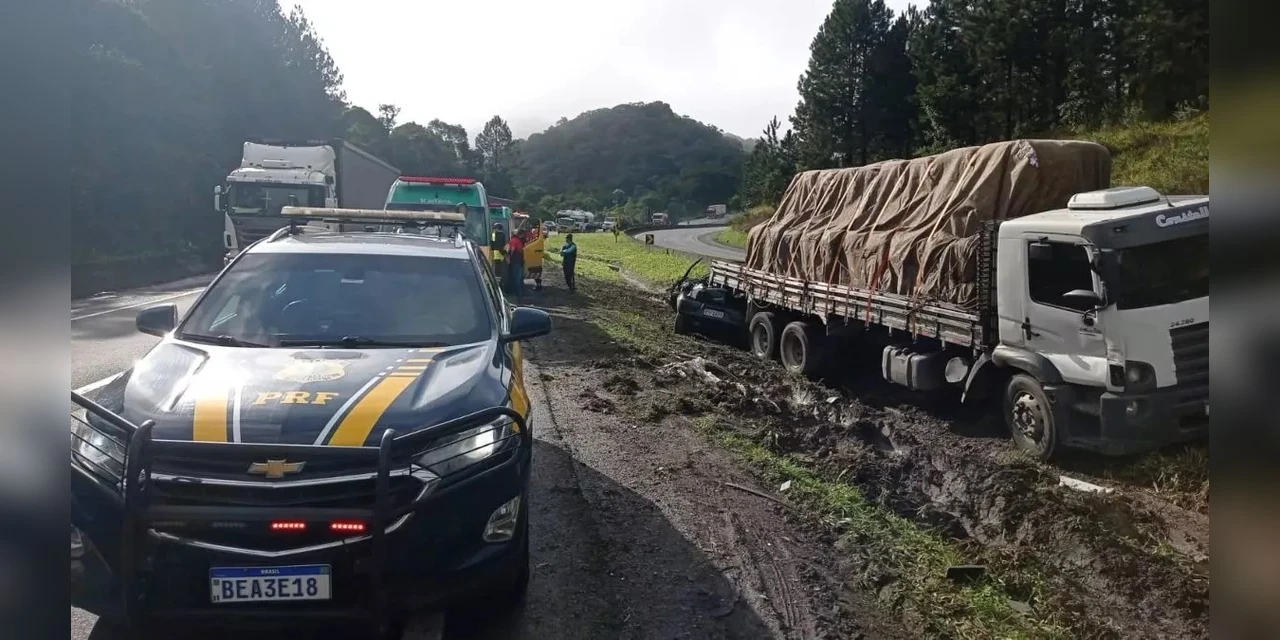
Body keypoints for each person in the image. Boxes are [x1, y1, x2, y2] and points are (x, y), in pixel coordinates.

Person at [506, 229, 526, 298]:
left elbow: (512, 250)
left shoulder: (514, 240)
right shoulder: (518, 240)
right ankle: (520, 292)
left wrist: (509, 258)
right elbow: (516, 250)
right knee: (519, 277)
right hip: (519, 261)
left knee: (516, 277)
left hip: (516, 261)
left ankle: (517, 293)